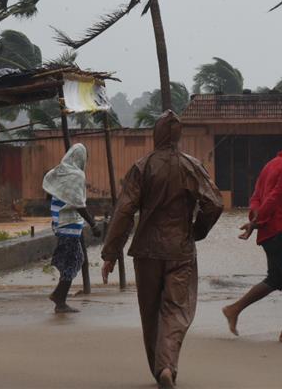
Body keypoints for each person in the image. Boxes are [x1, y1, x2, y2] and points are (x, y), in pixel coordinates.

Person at [101, 111, 223, 389]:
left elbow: (124, 212)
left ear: (155, 135)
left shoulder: (141, 167)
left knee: (150, 312)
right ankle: (166, 366)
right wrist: (197, 230)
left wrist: (110, 254)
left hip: (146, 251)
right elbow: (214, 203)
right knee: (175, 310)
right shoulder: (191, 165)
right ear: (178, 136)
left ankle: (160, 370)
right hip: (180, 250)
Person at [222, 132, 282, 344]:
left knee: (276, 278)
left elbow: (256, 196)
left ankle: (234, 309)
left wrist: (255, 221)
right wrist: (256, 222)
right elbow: (274, 198)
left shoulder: (271, 164)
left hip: (269, 231)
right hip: (279, 229)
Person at [43, 143, 101, 313]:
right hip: (69, 225)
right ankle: (59, 299)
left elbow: (48, 191)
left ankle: (59, 294)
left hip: (59, 223)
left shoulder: (58, 171)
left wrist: (60, 201)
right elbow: (78, 204)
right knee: (74, 260)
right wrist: (93, 224)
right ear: (81, 158)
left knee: (75, 258)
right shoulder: (77, 175)